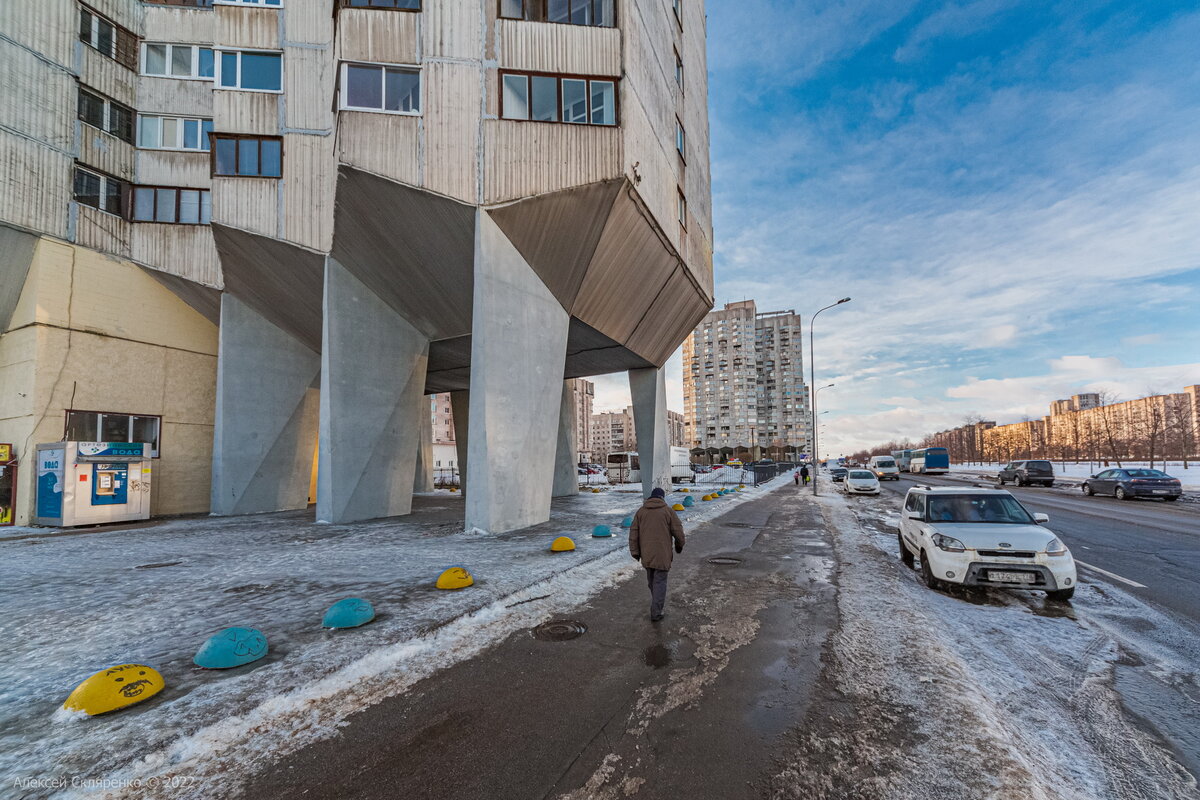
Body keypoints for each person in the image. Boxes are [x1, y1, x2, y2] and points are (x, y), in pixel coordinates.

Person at [629, 487, 686, 622]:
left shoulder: (641, 512)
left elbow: (633, 533)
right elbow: (678, 531)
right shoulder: (668, 511)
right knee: (660, 583)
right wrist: (679, 545)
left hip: (647, 554)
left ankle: (656, 603)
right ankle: (656, 612)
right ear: (662, 498)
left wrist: (635, 552)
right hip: (662, 554)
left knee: (652, 581)